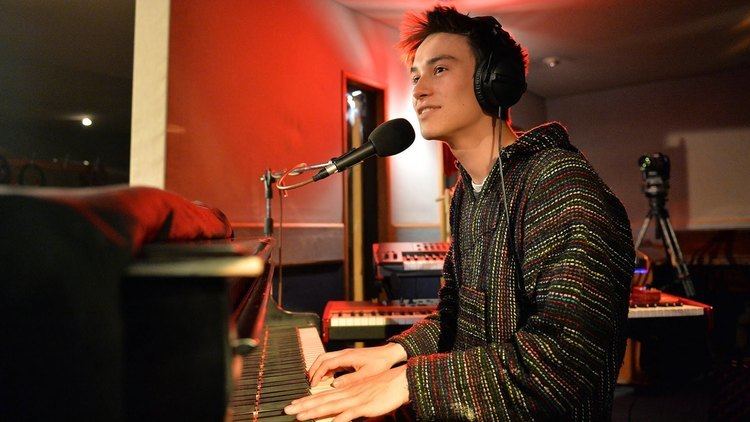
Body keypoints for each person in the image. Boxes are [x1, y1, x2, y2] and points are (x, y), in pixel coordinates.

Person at [285, 6, 634, 421]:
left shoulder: (560, 183)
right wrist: (394, 353)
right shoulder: (467, 193)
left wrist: (406, 381)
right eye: (415, 75)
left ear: (495, 82)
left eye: (440, 69)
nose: (417, 90)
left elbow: (568, 361)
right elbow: (456, 319)